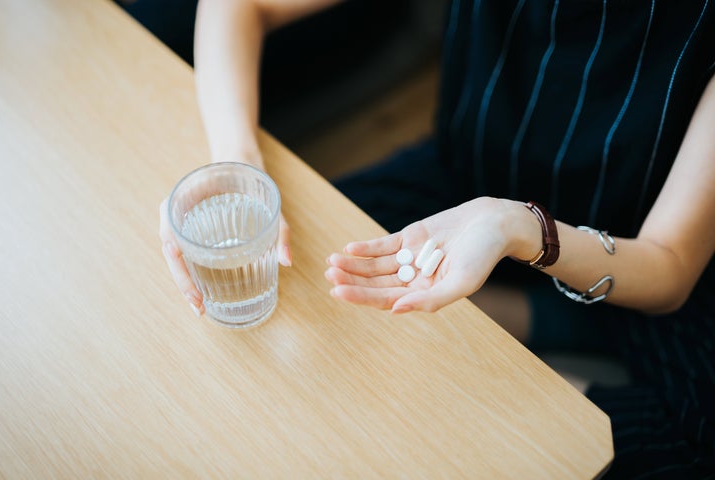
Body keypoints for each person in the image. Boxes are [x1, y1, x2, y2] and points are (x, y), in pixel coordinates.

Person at [159, 0, 715, 476]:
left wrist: (520, 229)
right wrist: (237, 169)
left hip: (634, 256)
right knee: (309, 271)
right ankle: (534, 317)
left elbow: (669, 266)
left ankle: (554, 320)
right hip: (462, 185)